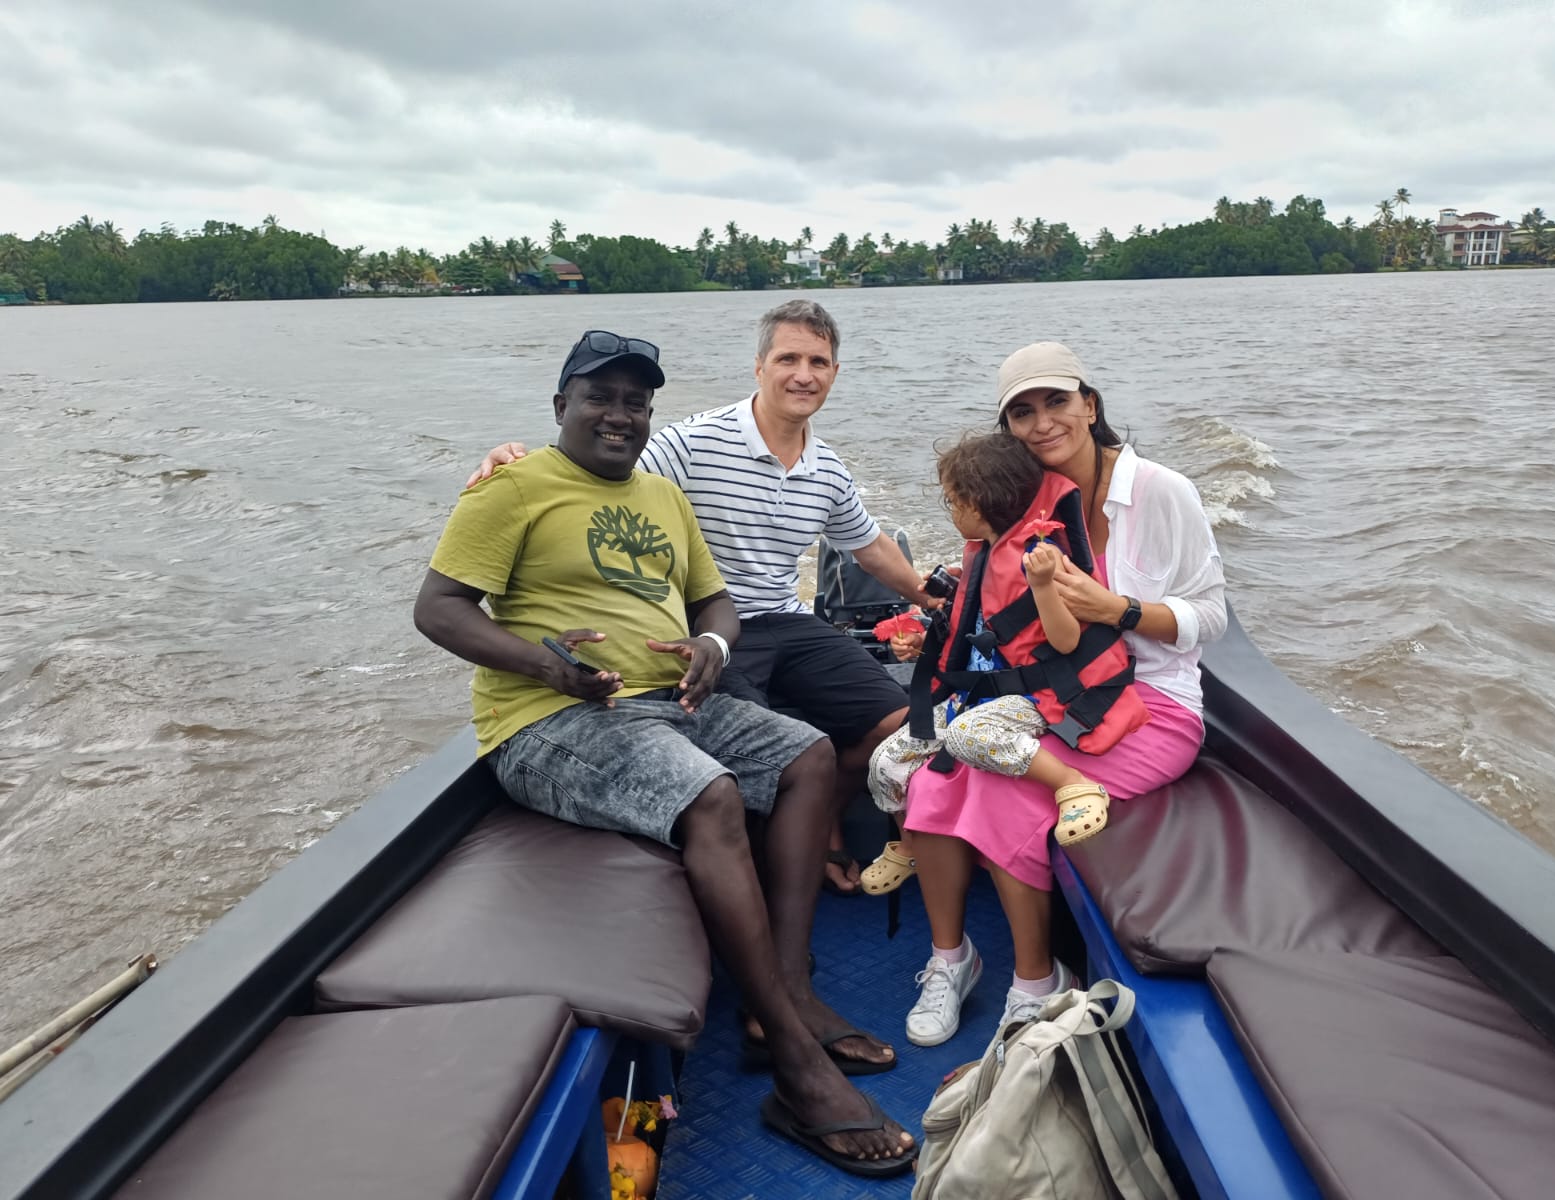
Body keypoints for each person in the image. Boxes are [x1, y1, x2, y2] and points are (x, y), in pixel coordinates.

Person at [415, 330, 914, 1176]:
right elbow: (439, 609)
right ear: (561, 406)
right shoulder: (515, 487)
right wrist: (550, 666)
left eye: (636, 401)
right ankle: (796, 1066)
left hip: (669, 699)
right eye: (600, 397)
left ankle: (784, 996)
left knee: (806, 757)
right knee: (714, 796)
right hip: (551, 720)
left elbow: (713, 602)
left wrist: (714, 650)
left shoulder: (659, 494)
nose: (620, 415)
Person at [467, 301, 935, 898]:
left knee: (901, 724)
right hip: (711, 630)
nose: (803, 374)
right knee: (750, 754)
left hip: (786, 621)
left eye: (818, 361)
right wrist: (517, 459)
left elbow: (870, 549)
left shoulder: (829, 470)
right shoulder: (691, 443)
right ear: (759, 366)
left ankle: (825, 817)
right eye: (788, 358)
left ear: (834, 373)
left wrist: (937, 602)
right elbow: (600, 461)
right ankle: (822, 837)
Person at [898, 341, 1227, 1048]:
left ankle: (1035, 982)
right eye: (1023, 411)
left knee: (997, 791)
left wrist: (1118, 611)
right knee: (930, 783)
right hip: (1054, 698)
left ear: (1090, 404)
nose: (1043, 422)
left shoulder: (1161, 492)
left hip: (1153, 704)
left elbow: (1212, 618)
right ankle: (951, 959)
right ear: (1007, 428)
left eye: (1057, 402)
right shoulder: (1018, 507)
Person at [867, 430, 1148, 869]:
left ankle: (1073, 784)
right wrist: (924, 642)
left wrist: (1042, 586)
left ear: (978, 505)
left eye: (953, 502)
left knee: (968, 736)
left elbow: (1067, 640)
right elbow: (970, 632)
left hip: (1037, 695)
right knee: (886, 762)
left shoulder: (1041, 559)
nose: (951, 511)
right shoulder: (982, 556)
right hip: (978, 691)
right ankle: (910, 845)